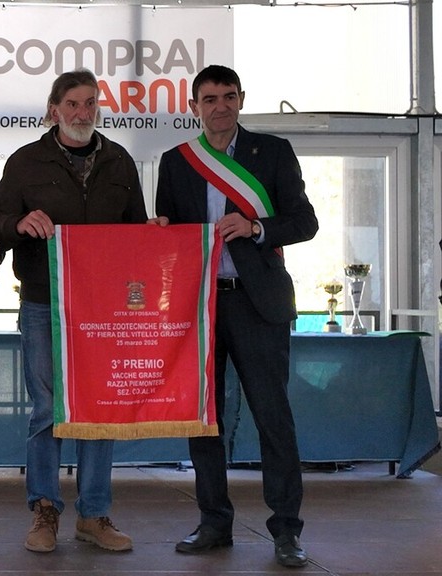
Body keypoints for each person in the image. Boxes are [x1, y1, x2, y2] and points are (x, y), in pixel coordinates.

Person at [154, 64, 318, 568]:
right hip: (198, 304)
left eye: (228, 97)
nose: (220, 106)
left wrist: (256, 227)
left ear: (241, 99)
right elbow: (170, 232)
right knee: (204, 419)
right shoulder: (177, 161)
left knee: (273, 417)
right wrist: (158, 231)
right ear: (194, 106)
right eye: (209, 99)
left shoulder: (273, 152)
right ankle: (213, 522)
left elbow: (305, 222)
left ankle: (286, 530)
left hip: (257, 302)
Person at [0, 68, 147, 554]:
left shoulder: (120, 161)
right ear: (54, 110)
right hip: (43, 301)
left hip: (105, 307)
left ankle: (93, 514)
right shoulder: (25, 161)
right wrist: (18, 222)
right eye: (72, 103)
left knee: (100, 408)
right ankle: (45, 511)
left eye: (90, 102)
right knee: (46, 408)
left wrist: (155, 234)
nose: (82, 112)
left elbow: (136, 231)